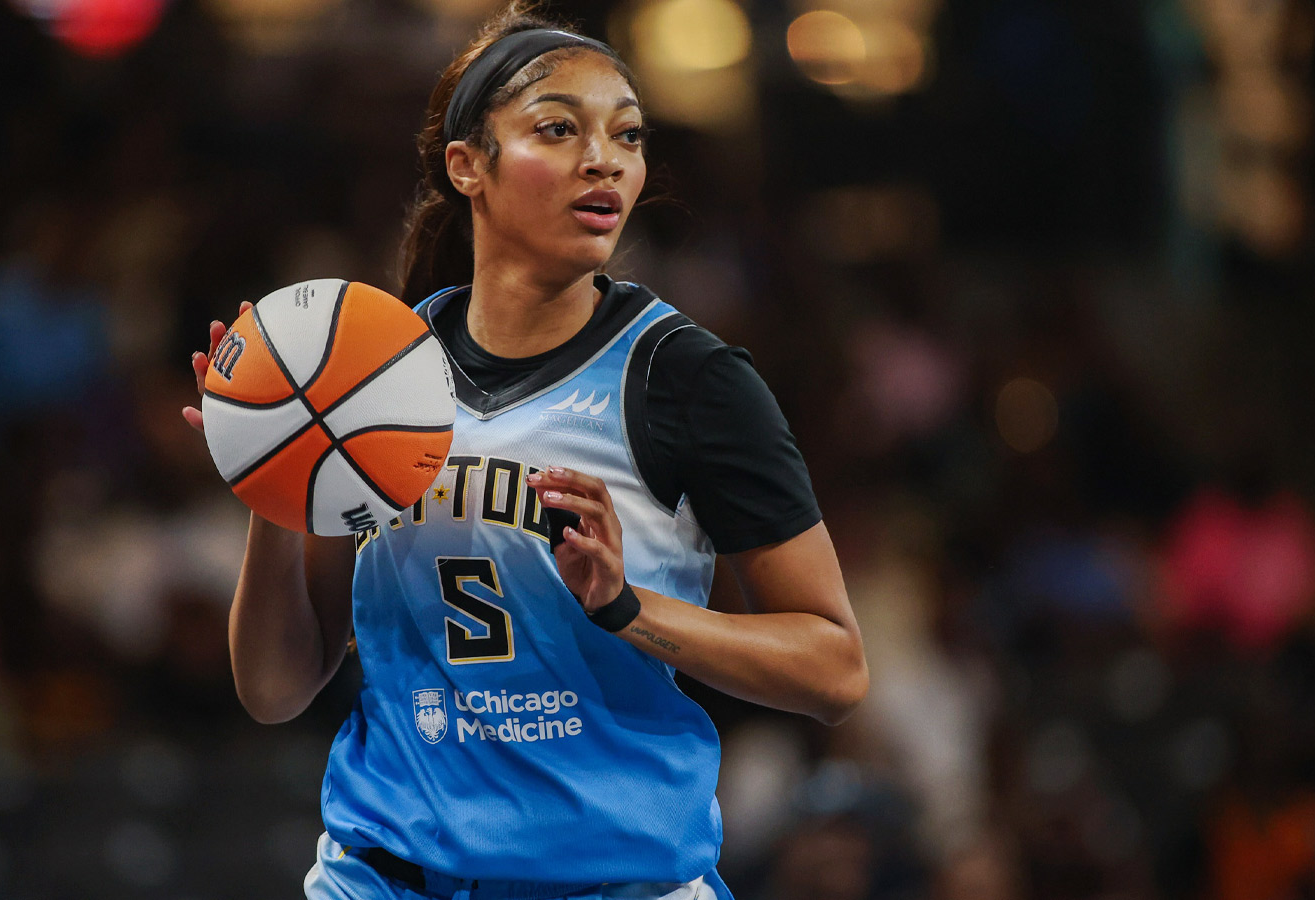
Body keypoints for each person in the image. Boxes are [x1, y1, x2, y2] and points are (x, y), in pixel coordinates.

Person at [181, 5, 868, 897]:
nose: (605, 159)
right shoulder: (364, 374)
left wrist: (629, 609)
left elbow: (835, 668)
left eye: (628, 135)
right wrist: (272, 483)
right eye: (559, 128)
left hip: (615, 882)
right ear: (468, 165)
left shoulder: (686, 379)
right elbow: (274, 690)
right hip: (385, 875)